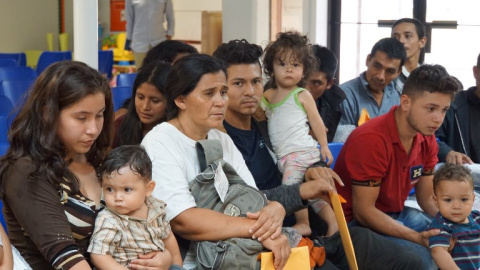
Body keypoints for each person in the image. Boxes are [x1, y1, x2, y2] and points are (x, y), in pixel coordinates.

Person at [213, 38, 425, 270]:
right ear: (221, 89)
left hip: (316, 231)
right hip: (275, 243)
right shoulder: (220, 141)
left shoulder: (268, 123)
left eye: (255, 81)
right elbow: (242, 205)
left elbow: (299, 151)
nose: (251, 92)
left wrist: (313, 167)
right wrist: (302, 191)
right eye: (238, 84)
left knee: (411, 261)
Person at [0, 61, 170, 269]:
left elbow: (147, 219)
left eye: (99, 115)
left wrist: (164, 257)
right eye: (81, 118)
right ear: (48, 113)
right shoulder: (26, 170)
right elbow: (64, 256)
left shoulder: (101, 160)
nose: (93, 129)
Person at [141, 54, 296, 270]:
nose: (220, 101)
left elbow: (251, 197)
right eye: (209, 93)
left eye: (223, 92)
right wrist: (259, 230)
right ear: (180, 100)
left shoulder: (220, 138)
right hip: (188, 262)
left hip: (235, 252)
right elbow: (182, 219)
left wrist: (276, 209)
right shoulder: (160, 141)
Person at [334, 64, 458, 269]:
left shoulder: (428, 139)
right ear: (406, 102)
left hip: (396, 213)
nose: (438, 119)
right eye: (431, 108)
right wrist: (418, 238)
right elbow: (364, 212)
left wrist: (457, 222)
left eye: (444, 110)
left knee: (460, 241)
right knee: (427, 260)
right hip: (356, 224)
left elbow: (426, 198)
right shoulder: (372, 139)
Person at [261, 31, 333, 236]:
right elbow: (257, 114)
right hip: (284, 156)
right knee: (313, 193)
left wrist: (325, 145)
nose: (289, 70)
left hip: (301, 153)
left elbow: (317, 123)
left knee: (291, 190)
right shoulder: (267, 96)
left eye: (296, 65)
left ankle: (304, 223)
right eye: (282, 64)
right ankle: (332, 223)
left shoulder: (302, 94)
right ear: (271, 68)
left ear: (304, 69)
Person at [89, 145, 184, 270]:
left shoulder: (155, 208)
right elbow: (98, 255)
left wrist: (177, 266)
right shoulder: (109, 220)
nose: (117, 197)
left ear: (148, 188)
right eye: (109, 189)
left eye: (127, 189)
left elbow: (168, 237)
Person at [337, 37, 406, 130]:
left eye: (390, 71)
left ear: (398, 72)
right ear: (368, 60)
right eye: (377, 66)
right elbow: (341, 141)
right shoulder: (343, 94)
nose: (380, 76)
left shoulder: (398, 95)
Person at [428, 163, 480, 270]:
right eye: (448, 200)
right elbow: (438, 252)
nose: (456, 206)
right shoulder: (441, 226)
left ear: (473, 199)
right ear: (436, 200)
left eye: (464, 199)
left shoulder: (476, 218)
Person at [113, 60, 171, 147]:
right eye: (140, 97)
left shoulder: (176, 133)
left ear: (170, 101)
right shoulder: (121, 125)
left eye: (155, 101)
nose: (145, 107)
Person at [435, 53, 480, 164]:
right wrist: (447, 152)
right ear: (476, 72)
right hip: (457, 176)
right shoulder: (451, 105)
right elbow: (430, 137)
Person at [306, 45, 346, 142]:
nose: (306, 89)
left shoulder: (333, 104)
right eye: (302, 80)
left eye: (316, 83)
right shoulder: (275, 99)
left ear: (329, 83)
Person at [125, 0, 175, 68]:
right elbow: (129, 20)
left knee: (160, 73)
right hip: (139, 43)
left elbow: (170, 17)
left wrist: (169, 35)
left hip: (159, 42)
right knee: (141, 73)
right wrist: (130, 39)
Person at [391, 18, 427, 94]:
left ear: (422, 42)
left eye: (407, 36)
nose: (401, 41)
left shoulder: (430, 77)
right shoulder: (388, 76)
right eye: (395, 37)